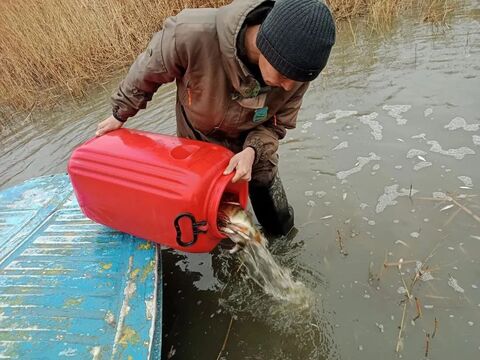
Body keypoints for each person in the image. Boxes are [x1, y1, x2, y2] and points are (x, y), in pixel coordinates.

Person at [96, 0, 336, 237]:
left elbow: (276, 125)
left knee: (277, 217)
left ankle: (282, 239)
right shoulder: (191, 34)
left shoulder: (296, 77)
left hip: (254, 142)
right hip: (201, 137)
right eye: (284, 75)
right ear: (265, 45)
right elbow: (148, 69)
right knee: (212, 218)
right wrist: (121, 112)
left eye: (298, 80)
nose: (287, 86)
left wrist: (252, 151)